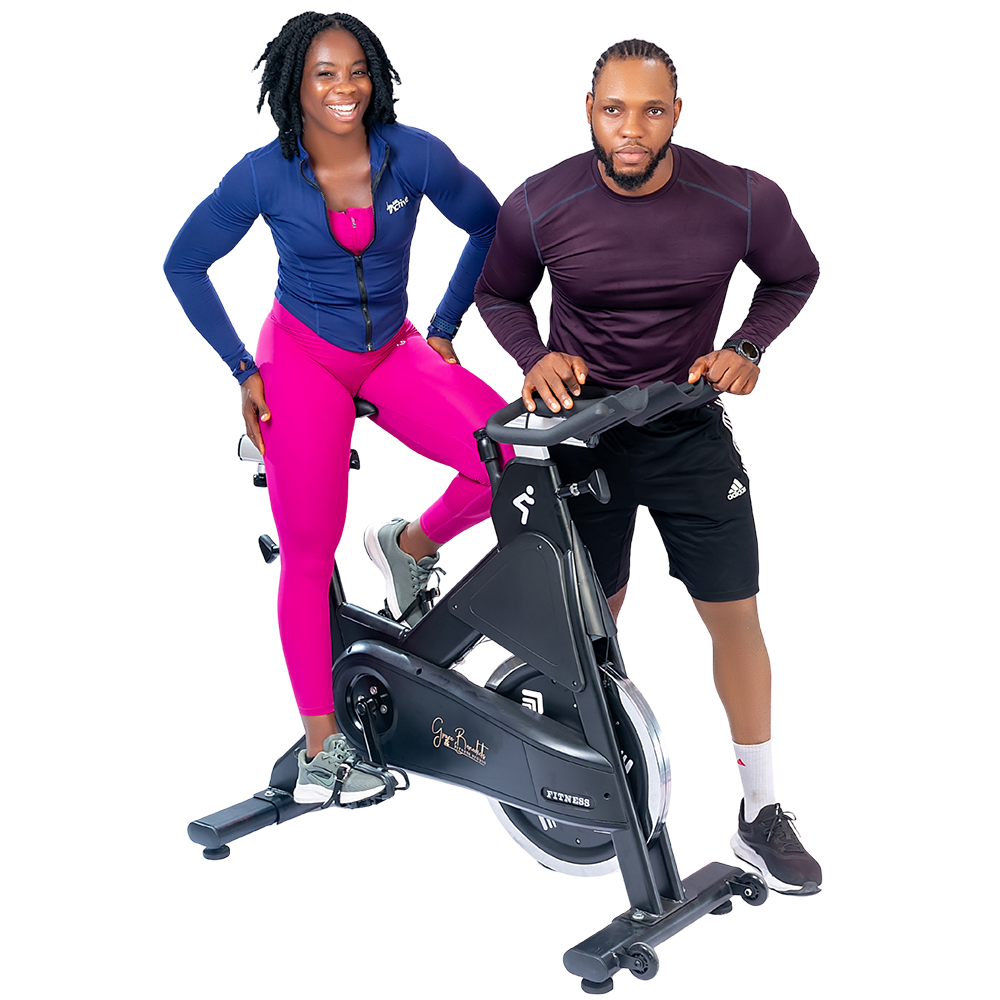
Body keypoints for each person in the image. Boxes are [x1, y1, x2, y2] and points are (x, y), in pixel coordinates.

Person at [474, 39, 823, 896]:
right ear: (589, 115)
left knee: (734, 615)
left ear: (678, 116)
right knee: (595, 625)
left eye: (651, 111)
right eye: (614, 110)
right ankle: (605, 783)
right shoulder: (538, 205)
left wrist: (748, 346)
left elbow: (792, 279)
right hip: (581, 432)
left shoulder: (742, 200)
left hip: (686, 428)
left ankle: (763, 809)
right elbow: (497, 295)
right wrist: (532, 357)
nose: (631, 129)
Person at [163, 11, 512, 809]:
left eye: (356, 70)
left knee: (501, 458)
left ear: (375, 78)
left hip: (393, 347)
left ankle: (407, 545)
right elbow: (185, 265)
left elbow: (487, 225)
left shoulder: (413, 156)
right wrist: (241, 369)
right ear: (296, 85)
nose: (344, 87)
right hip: (301, 358)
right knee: (310, 549)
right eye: (324, 73)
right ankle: (324, 746)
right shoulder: (263, 175)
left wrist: (446, 325)